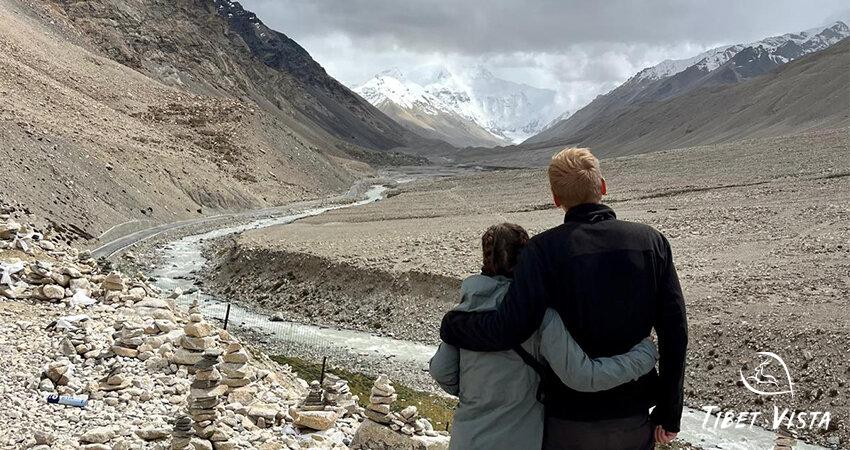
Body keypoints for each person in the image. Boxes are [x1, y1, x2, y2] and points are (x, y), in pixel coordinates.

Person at [440, 148, 688, 450]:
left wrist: (453, 326)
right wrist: (670, 410)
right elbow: (675, 331)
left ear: (556, 199)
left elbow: (510, 327)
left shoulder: (542, 252)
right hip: (632, 417)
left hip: (567, 423)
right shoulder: (652, 242)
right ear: (603, 187)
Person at [430, 222, 659, 450]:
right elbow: (581, 376)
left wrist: (477, 396)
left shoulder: (464, 311)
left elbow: (441, 371)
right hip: (519, 440)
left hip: (466, 439)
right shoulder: (540, 315)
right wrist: (644, 356)